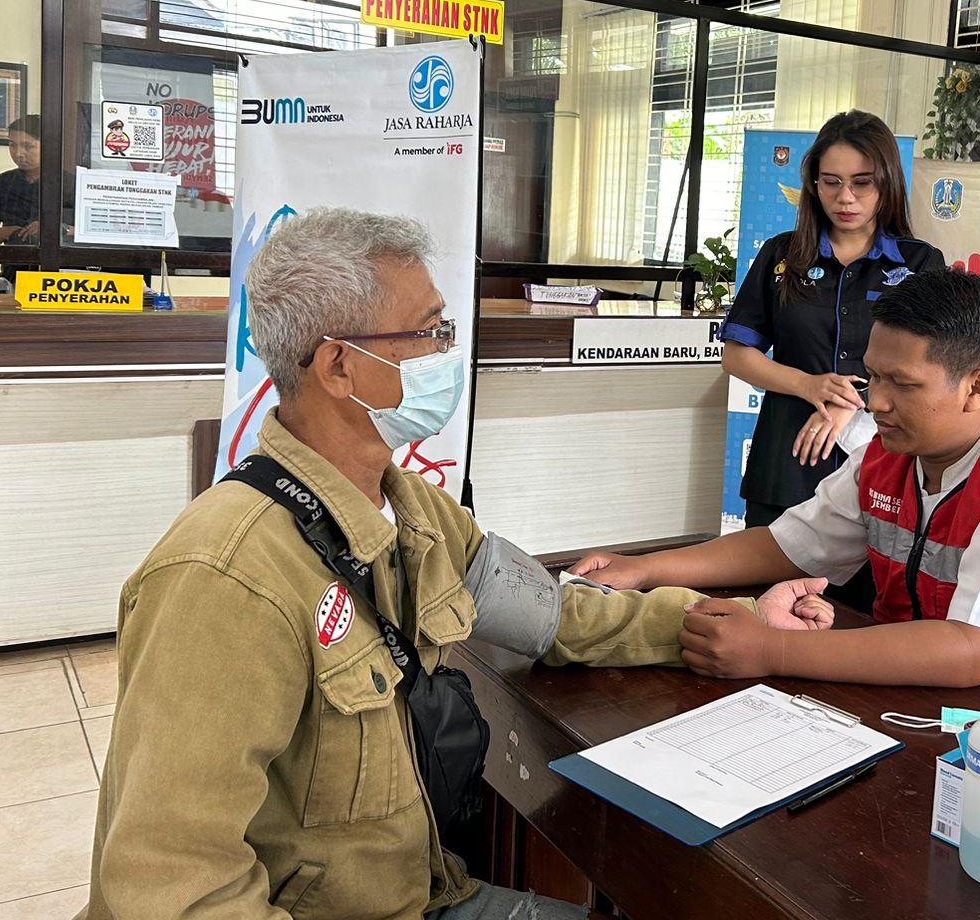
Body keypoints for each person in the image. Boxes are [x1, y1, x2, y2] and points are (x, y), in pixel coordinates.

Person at [78, 208, 833, 920]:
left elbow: (558, 613)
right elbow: (171, 886)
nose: (450, 353)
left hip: (424, 891)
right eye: (431, 332)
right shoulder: (225, 579)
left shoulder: (410, 511)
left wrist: (717, 622)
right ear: (340, 367)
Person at [574, 266, 980, 725]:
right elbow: (788, 545)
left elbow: (974, 652)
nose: (876, 404)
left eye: (905, 384)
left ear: (977, 387)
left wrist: (772, 651)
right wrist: (648, 569)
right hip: (925, 705)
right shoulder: (889, 456)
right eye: (874, 378)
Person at [721, 109, 942, 608]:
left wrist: (855, 399)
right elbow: (737, 356)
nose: (847, 198)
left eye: (863, 183)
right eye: (832, 182)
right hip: (787, 460)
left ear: (887, 183)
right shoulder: (782, 255)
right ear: (813, 184)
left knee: (863, 612)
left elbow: (930, 365)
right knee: (769, 604)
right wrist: (809, 385)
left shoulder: (920, 263)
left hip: (883, 462)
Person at [0, 114, 43, 283]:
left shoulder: (68, 183)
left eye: (28, 146)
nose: (18, 153)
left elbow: (87, 233)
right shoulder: (3, 183)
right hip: (13, 276)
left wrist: (54, 230)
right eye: (12, 145)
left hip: (59, 279)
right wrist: (11, 231)